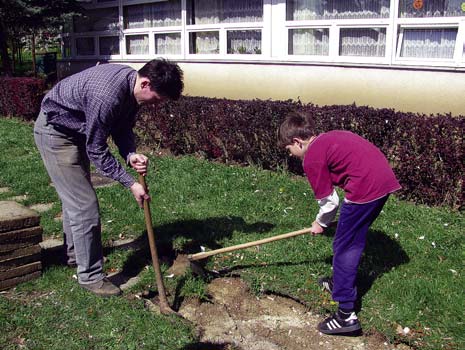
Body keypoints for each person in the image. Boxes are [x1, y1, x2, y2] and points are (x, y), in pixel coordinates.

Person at [34, 59, 184, 297]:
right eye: (157, 99)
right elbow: (96, 149)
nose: (156, 105)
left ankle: (76, 256)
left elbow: (122, 128)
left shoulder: (131, 87)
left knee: (76, 201)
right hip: (56, 133)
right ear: (145, 83)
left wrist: (130, 154)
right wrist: (131, 183)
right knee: (84, 205)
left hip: (76, 130)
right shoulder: (106, 95)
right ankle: (91, 277)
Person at [278, 111, 401, 335]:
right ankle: (339, 282)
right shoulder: (328, 137)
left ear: (297, 142)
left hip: (366, 187)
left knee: (345, 246)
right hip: (384, 181)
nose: (291, 155)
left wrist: (320, 223)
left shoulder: (312, 157)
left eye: (289, 149)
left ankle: (346, 315)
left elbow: (330, 203)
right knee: (351, 233)